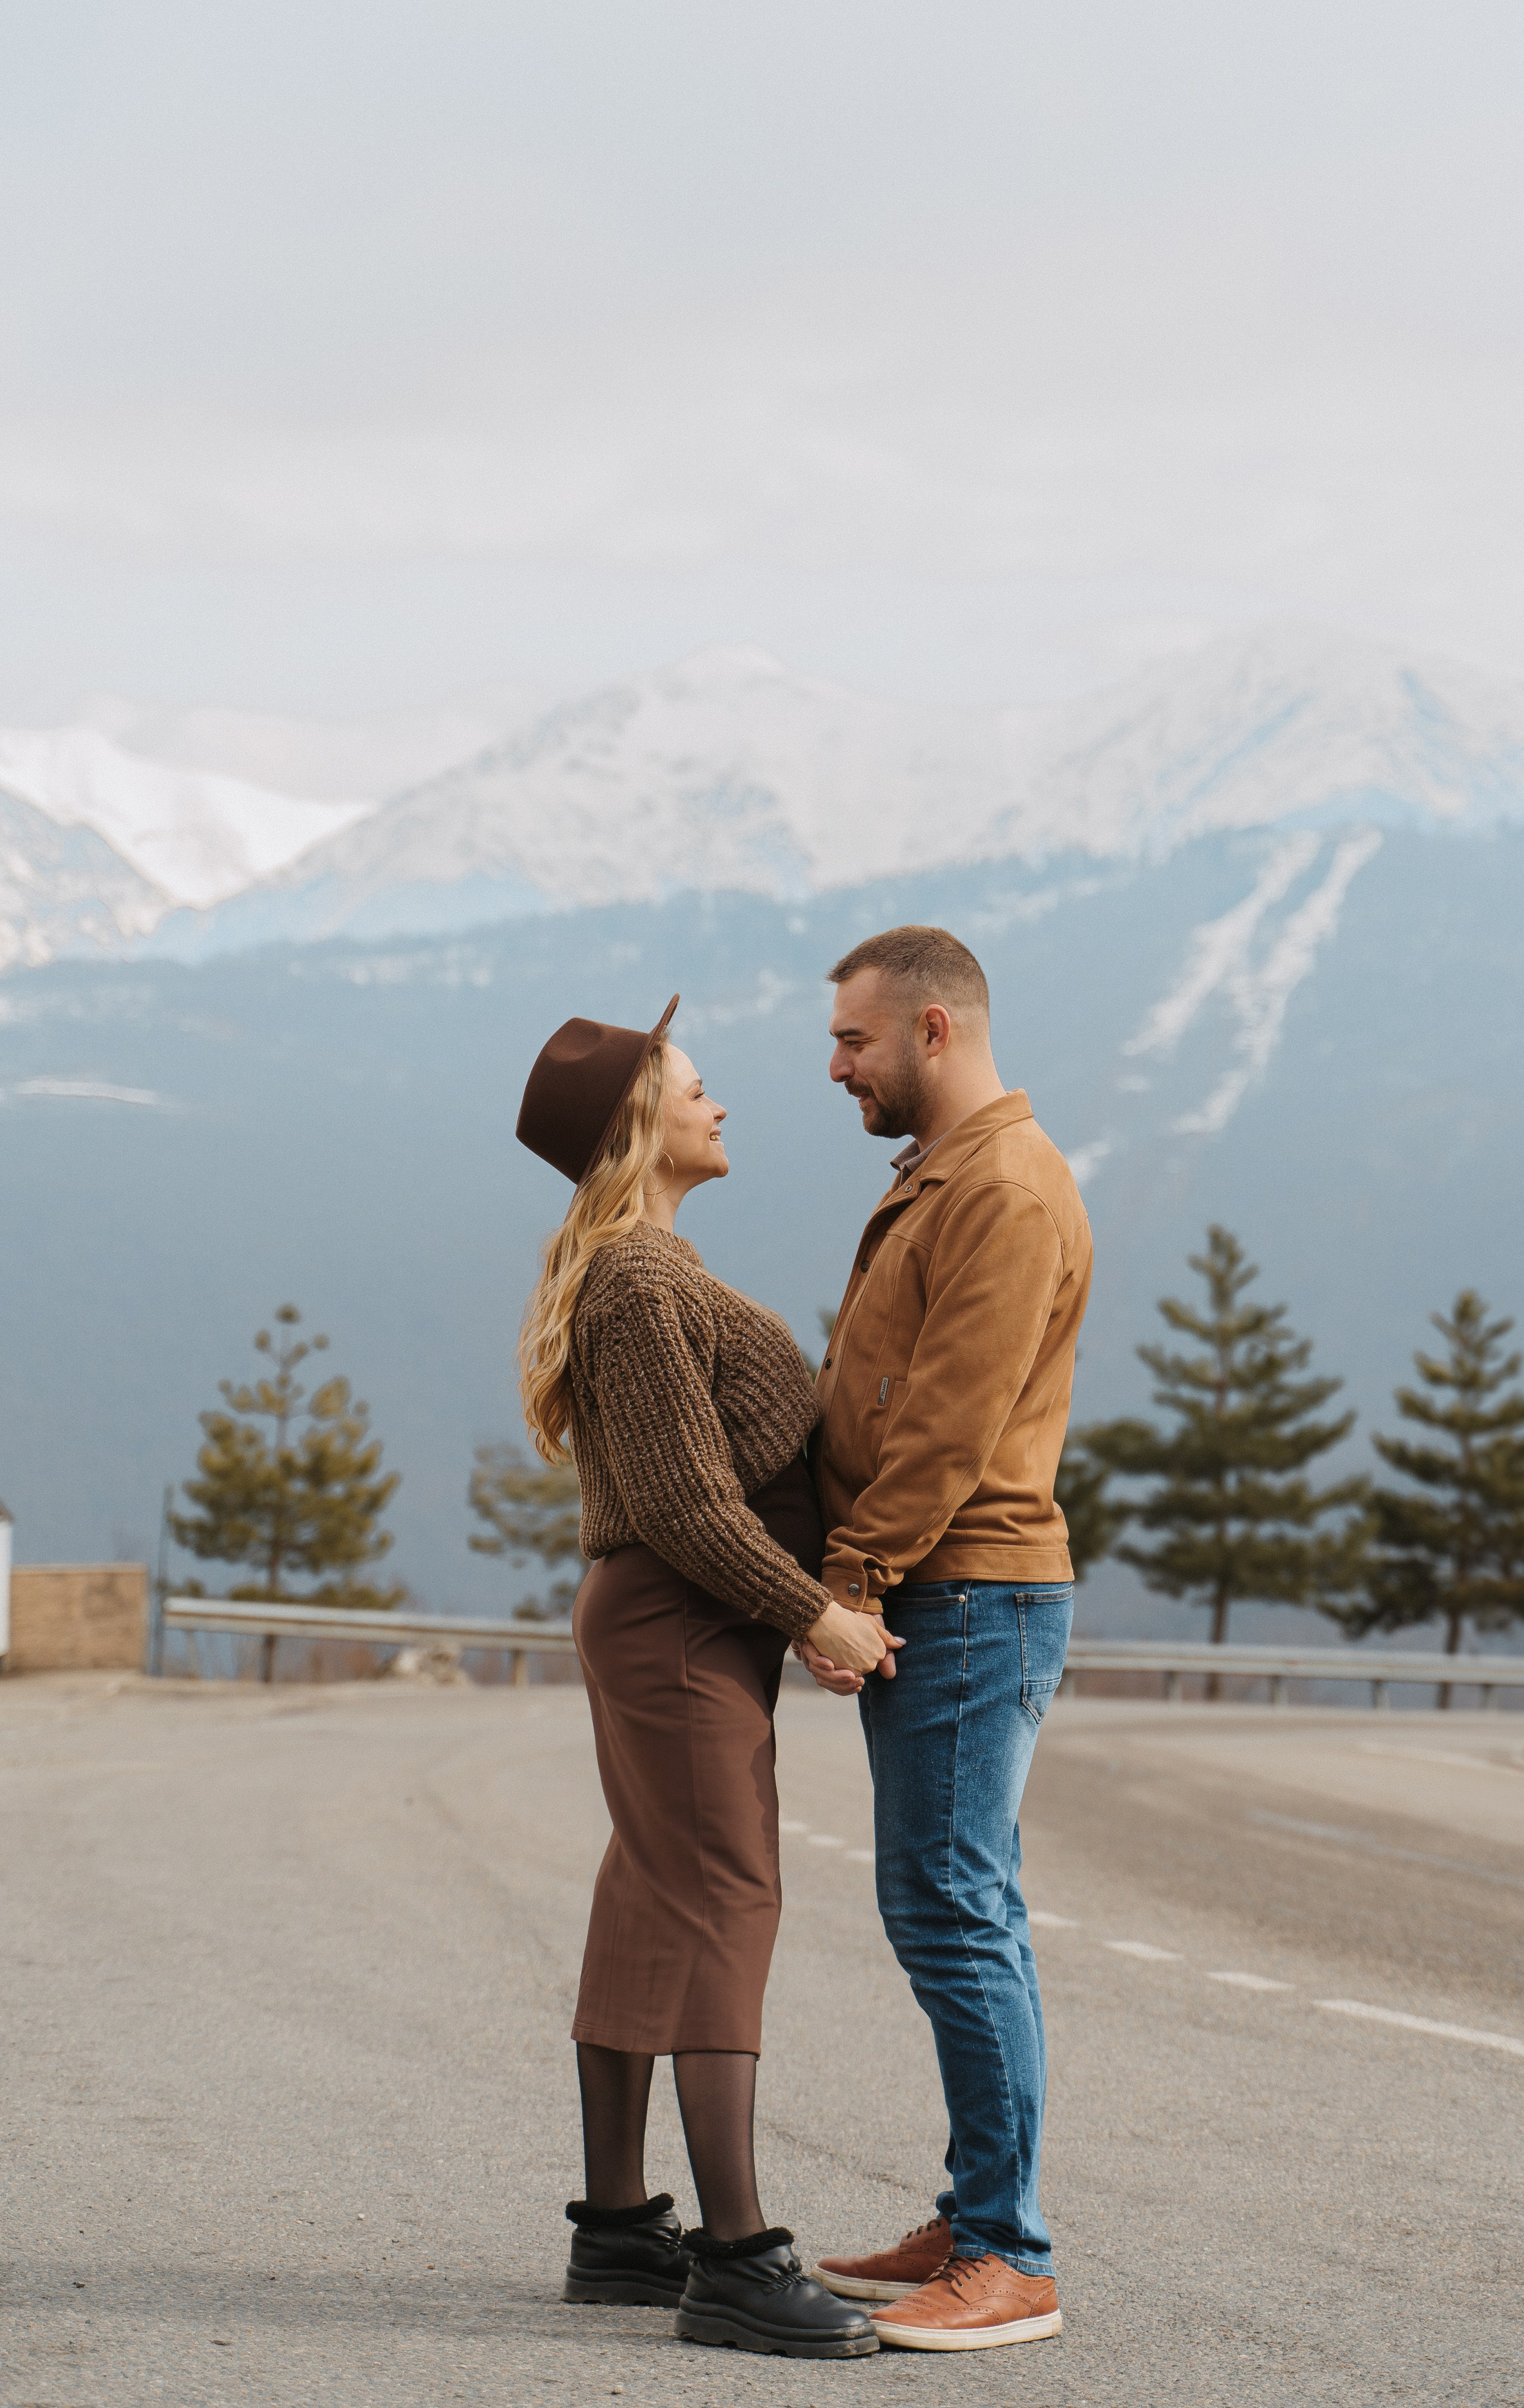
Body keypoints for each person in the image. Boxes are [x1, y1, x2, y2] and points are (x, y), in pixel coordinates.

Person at [514, 997, 891, 2362]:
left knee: (651, 1895)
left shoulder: (640, 1268)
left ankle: (618, 2228)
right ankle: (733, 2256)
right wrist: (815, 1616)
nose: (719, 1102)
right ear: (639, 1125)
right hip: (683, 1620)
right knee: (725, 1894)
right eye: (694, 1086)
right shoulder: (637, 1280)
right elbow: (681, 1500)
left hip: (673, 1625)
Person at [796, 925, 1093, 2354]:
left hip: (966, 1591)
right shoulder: (944, 1180)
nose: (832, 1066)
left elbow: (947, 1421)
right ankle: (977, 2209)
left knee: (953, 1911)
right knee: (953, 1904)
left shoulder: (1005, 1191)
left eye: (851, 1041)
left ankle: (1007, 2254)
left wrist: (848, 1584)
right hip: (946, 1588)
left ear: (929, 1031)